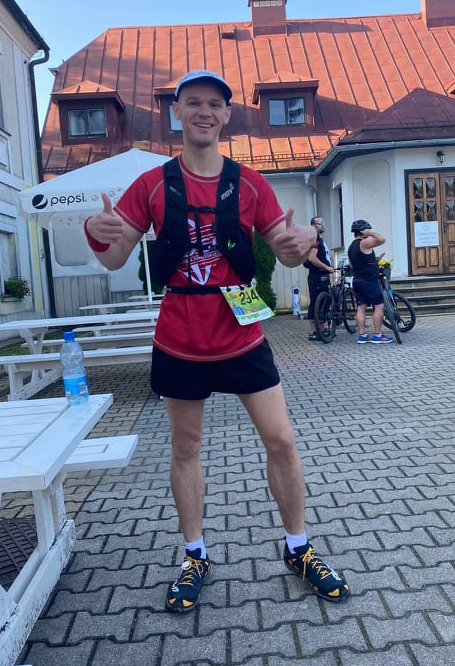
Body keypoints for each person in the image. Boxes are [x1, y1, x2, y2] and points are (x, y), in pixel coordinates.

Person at [83, 69, 351, 613]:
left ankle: (298, 548)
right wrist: (96, 232)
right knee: (186, 448)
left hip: (241, 333)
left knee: (281, 440)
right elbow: (114, 258)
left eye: (214, 104)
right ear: (177, 112)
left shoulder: (249, 183)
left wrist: (303, 241)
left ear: (227, 115)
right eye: (193, 103)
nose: (204, 112)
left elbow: (286, 249)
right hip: (179, 336)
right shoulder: (152, 184)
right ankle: (195, 555)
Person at [347, 219, 394, 344]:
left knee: (361, 307)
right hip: (369, 280)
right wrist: (370, 233)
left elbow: (353, 265)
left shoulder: (351, 247)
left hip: (357, 280)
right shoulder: (364, 243)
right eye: (366, 230)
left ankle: (362, 335)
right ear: (362, 231)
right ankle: (377, 335)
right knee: (379, 306)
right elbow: (381, 239)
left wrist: (374, 260)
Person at [304, 216, 335, 340]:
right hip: (317, 275)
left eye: (323, 222)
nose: (323, 224)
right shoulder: (314, 239)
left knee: (322, 303)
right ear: (313, 225)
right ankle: (314, 331)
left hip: (322, 275)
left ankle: (322, 329)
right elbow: (312, 258)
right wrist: (326, 267)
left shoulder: (319, 239)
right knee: (316, 302)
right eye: (319, 223)